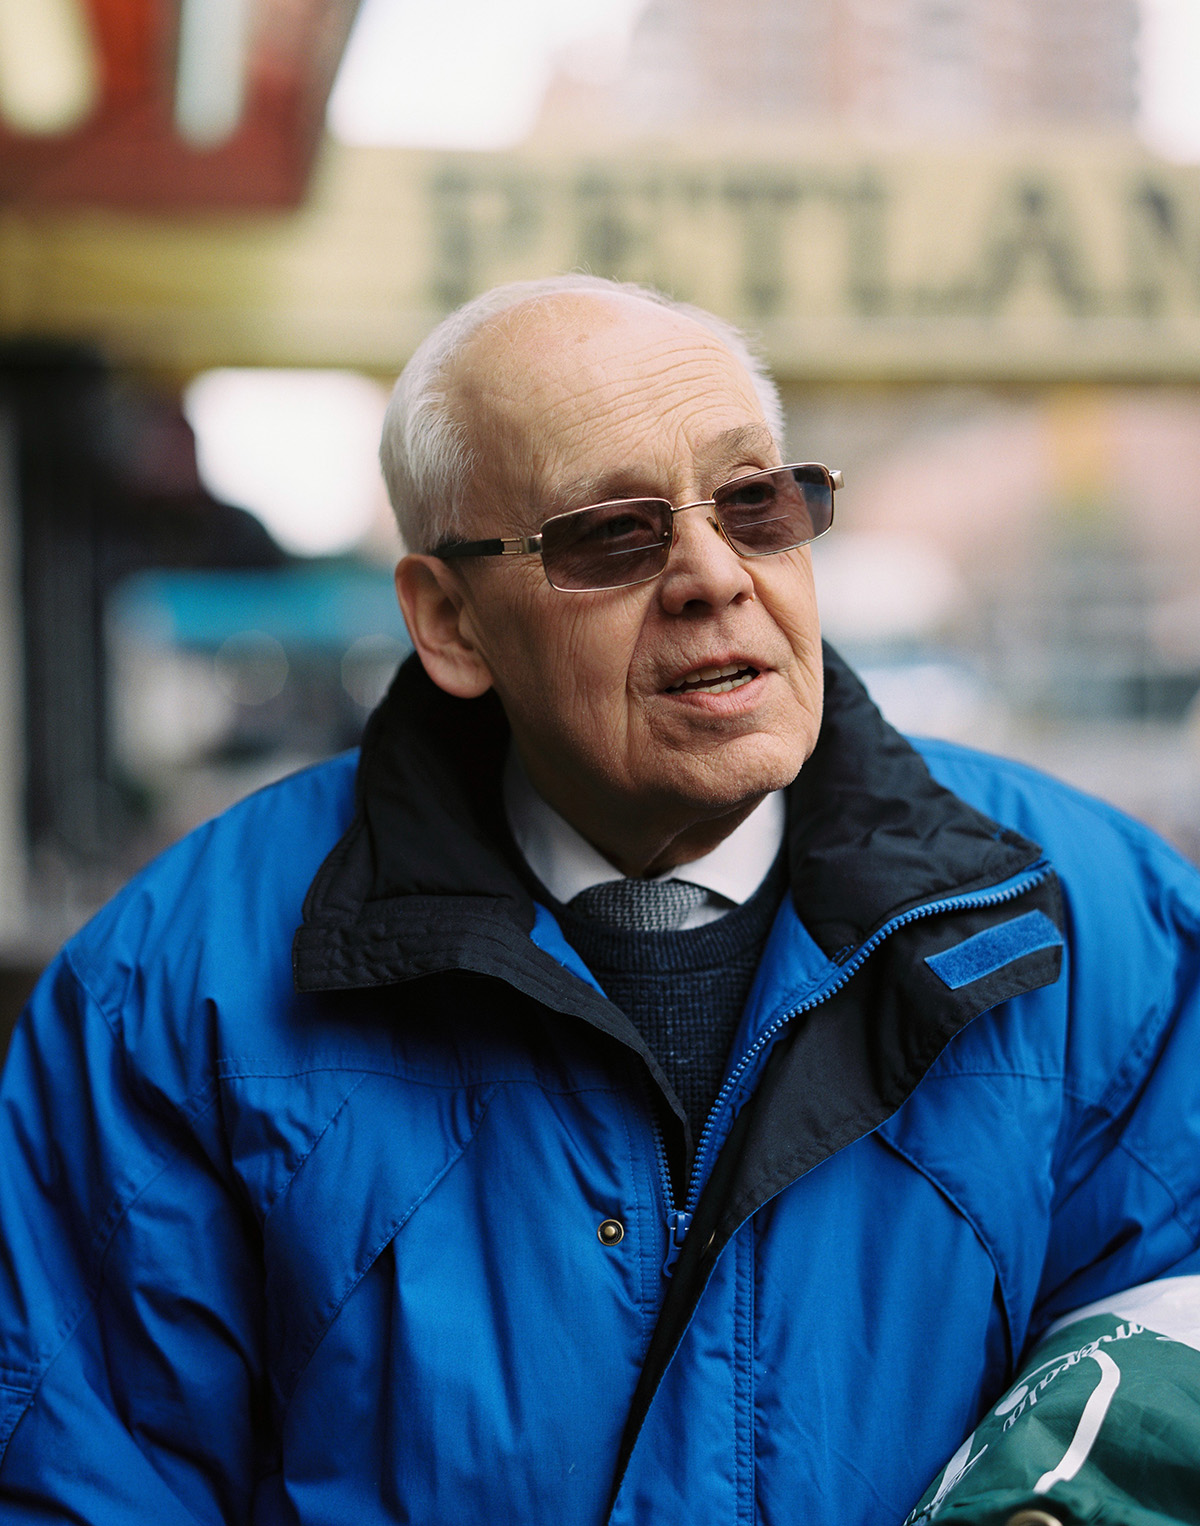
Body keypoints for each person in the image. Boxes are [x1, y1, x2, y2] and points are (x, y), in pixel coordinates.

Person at [1, 274, 1199, 1526]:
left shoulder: (1103, 929)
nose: (714, 575)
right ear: (450, 621)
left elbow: (1172, 1339)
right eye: (612, 533)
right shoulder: (171, 995)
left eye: (757, 502)